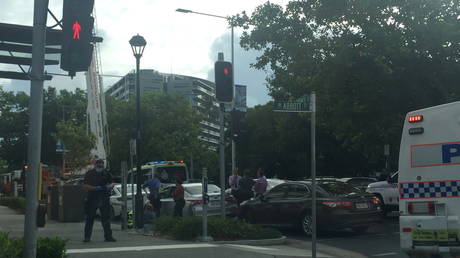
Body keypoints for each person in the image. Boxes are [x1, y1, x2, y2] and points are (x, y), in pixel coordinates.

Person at [82, 159, 116, 242]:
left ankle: (108, 237)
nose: (100, 165)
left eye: (101, 164)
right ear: (95, 164)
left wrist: (109, 186)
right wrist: (95, 188)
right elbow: (85, 185)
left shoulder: (106, 173)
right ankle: (87, 237)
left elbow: (112, 183)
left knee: (106, 219)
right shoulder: (90, 173)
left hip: (104, 197)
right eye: (99, 164)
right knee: (90, 218)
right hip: (92, 198)